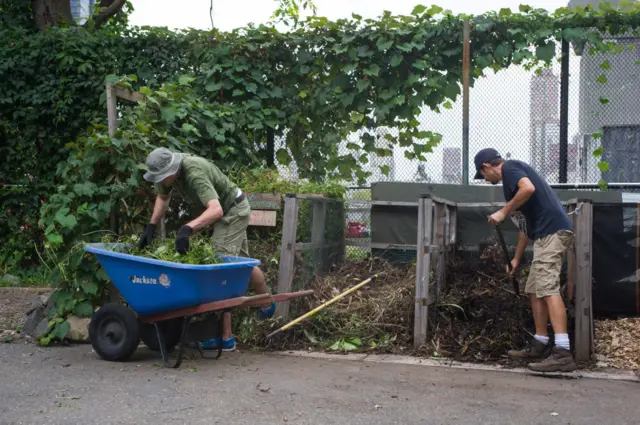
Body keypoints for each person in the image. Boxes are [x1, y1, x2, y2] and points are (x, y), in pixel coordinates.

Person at [138, 147, 275, 351]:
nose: (160, 181)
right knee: (241, 266)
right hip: (227, 210)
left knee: (220, 269)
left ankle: (225, 338)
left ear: (171, 170)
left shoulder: (193, 172)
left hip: (232, 211)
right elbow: (163, 198)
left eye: (161, 177)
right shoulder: (167, 175)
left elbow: (216, 210)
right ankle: (267, 302)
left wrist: (187, 229)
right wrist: (150, 226)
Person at [474, 148, 577, 373]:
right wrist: (516, 259)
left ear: (486, 167)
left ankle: (562, 352)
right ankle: (540, 344)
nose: (485, 180)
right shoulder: (511, 186)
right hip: (542, 235)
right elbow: (525, 228)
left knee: (548, 288)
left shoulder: (510, 168)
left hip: (553, 232)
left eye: (482, 176)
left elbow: (528, 188)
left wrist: (503, 211)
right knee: (534, 288)